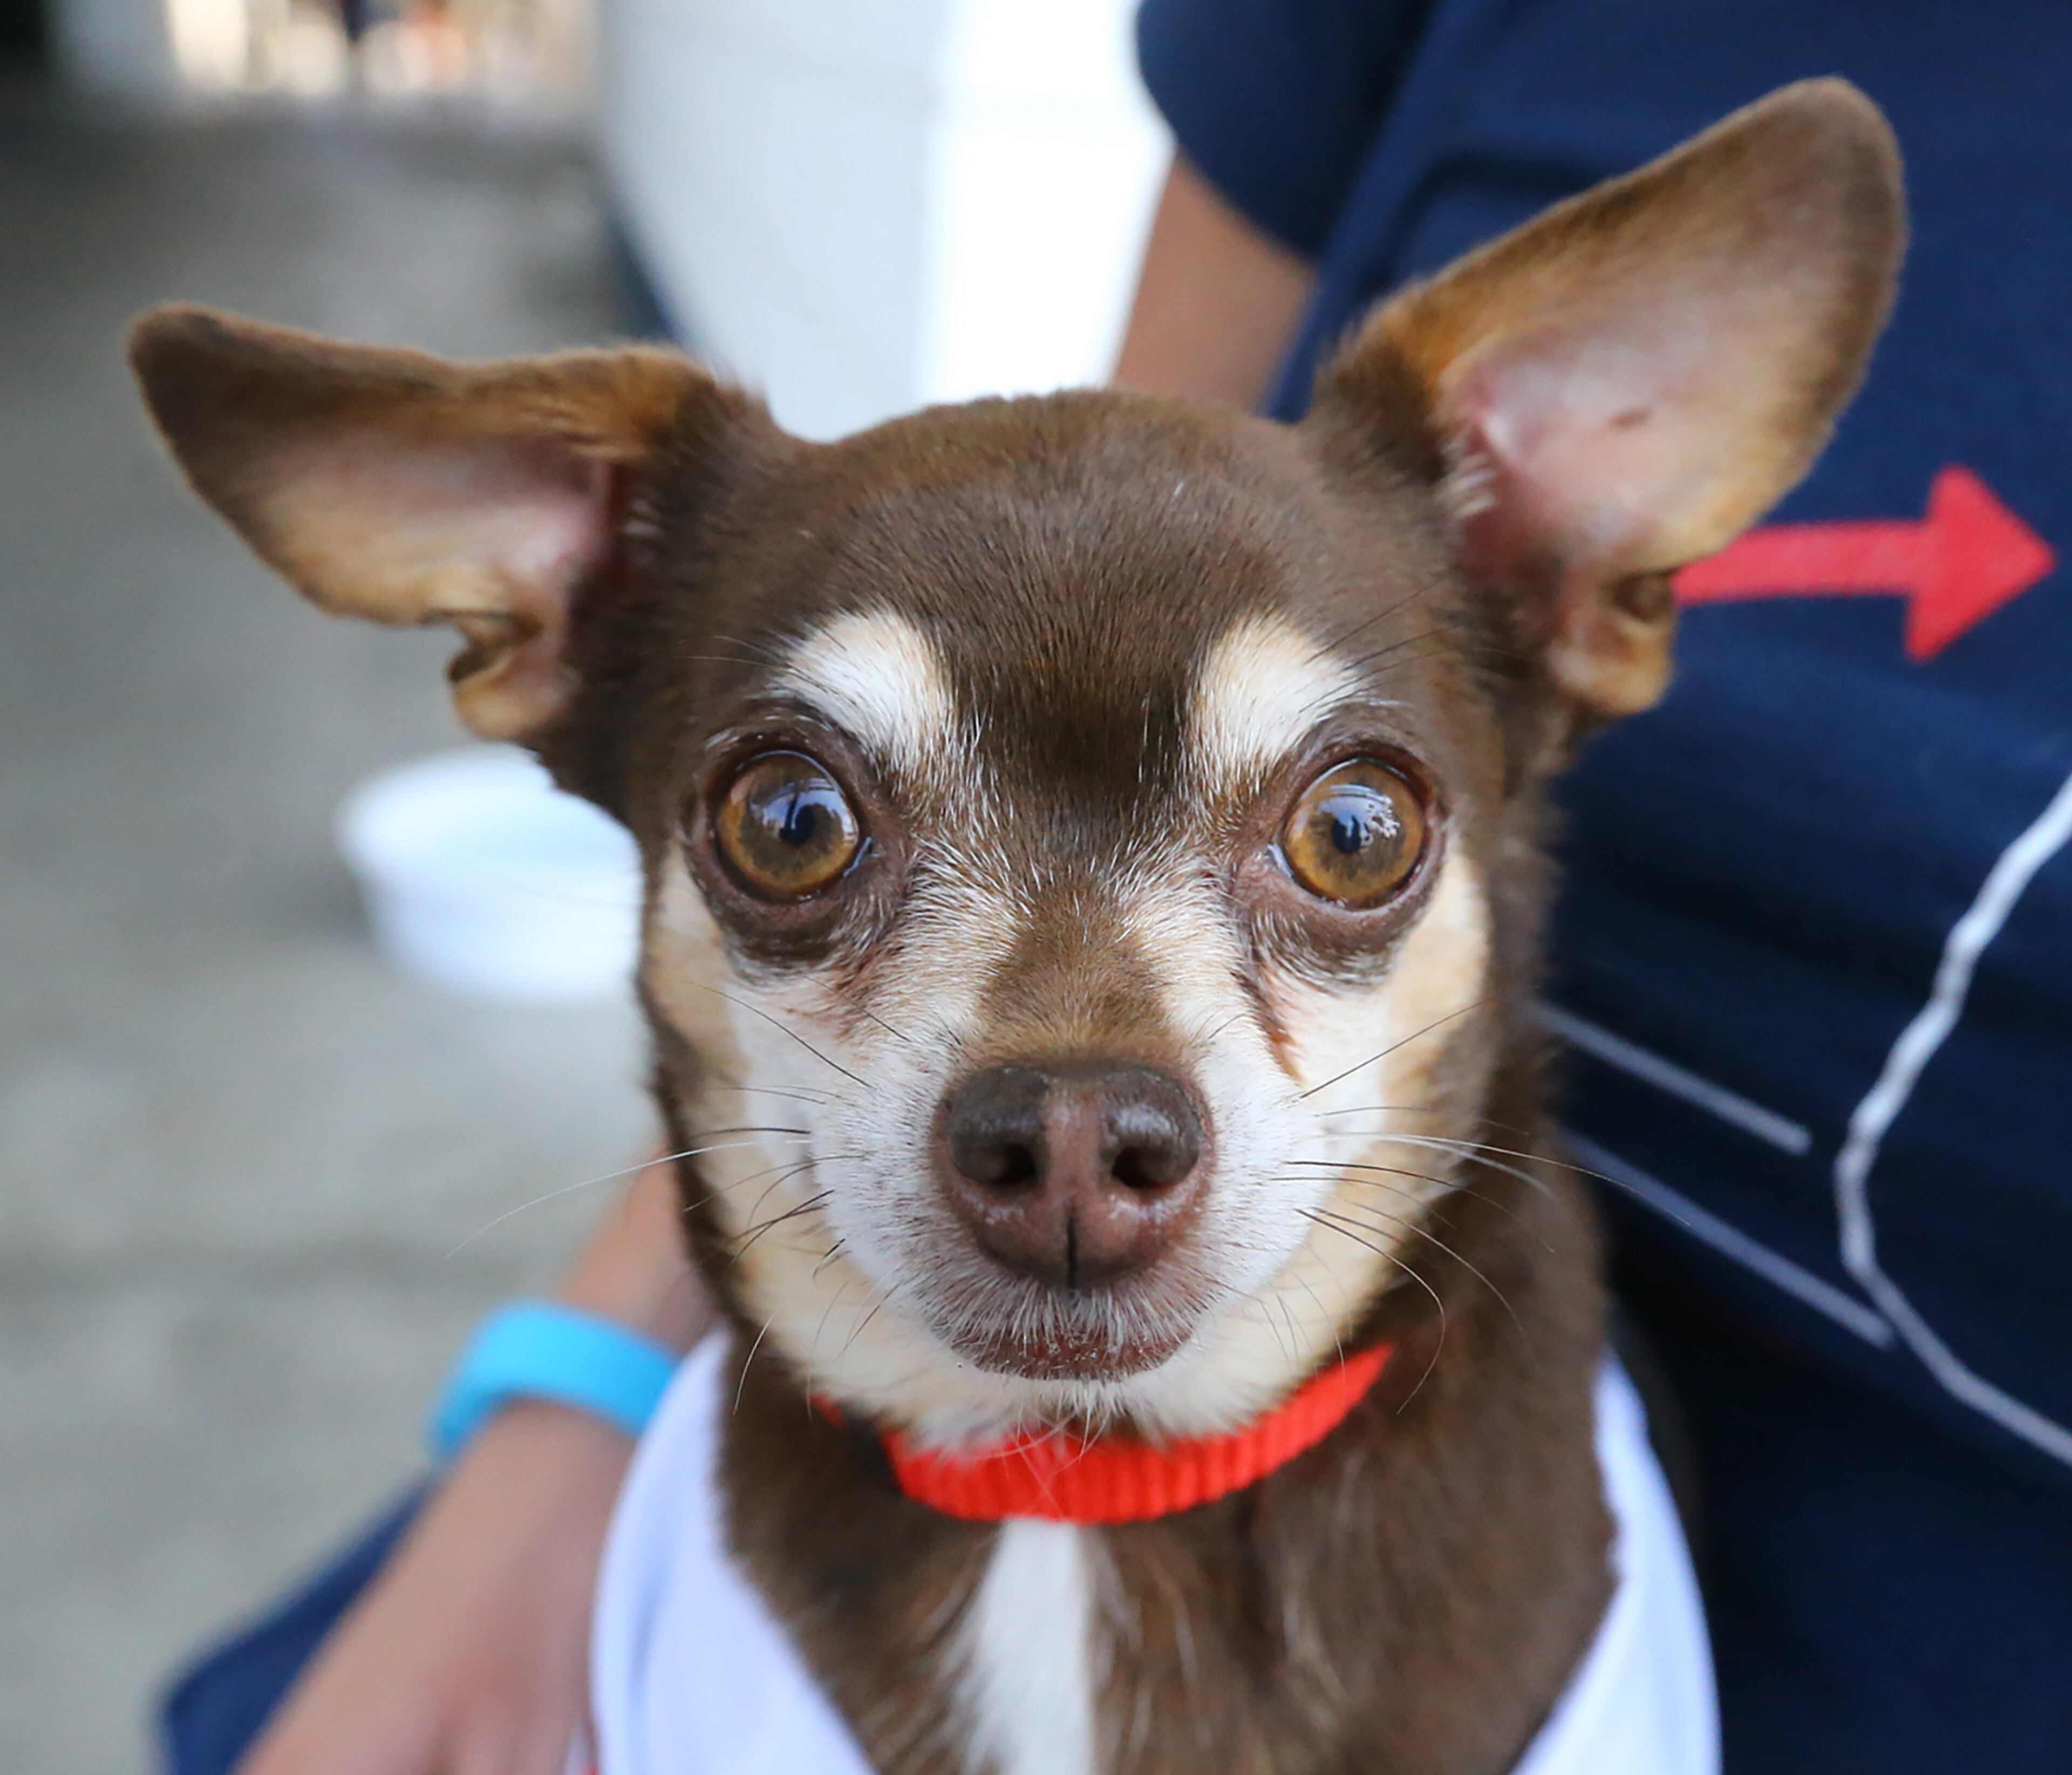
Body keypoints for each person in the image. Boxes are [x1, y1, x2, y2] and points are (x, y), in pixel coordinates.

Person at [168, 4, 2072, 1771]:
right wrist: (570, 1395)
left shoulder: (1584, 1658)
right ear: (570, 647)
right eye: (803, 831)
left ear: (1549, 600)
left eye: (1342, 841)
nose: (1079, 1121)